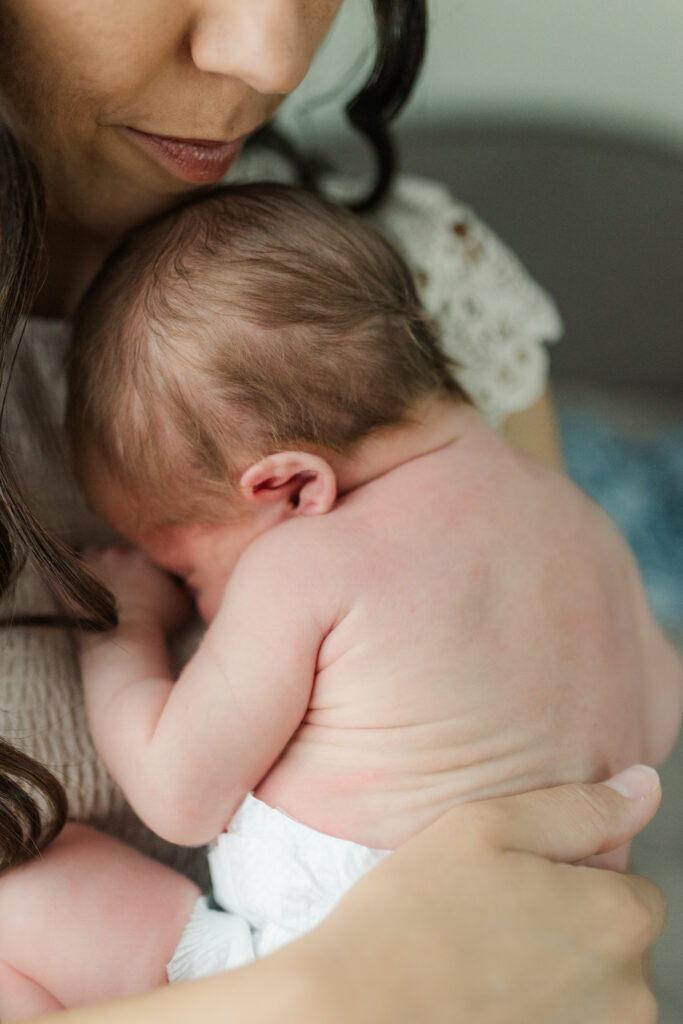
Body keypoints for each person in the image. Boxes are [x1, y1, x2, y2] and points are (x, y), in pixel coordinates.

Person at [0, 1, 672, 1020]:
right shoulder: (573, 526)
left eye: (186, 570)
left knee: (37, 902)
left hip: (293, 928)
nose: (272, 56)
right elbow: (647, 718)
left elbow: (179, 794)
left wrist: (127, 620)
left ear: (286, 486)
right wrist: (329, 996)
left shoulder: (308, 553)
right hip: (502, 957)